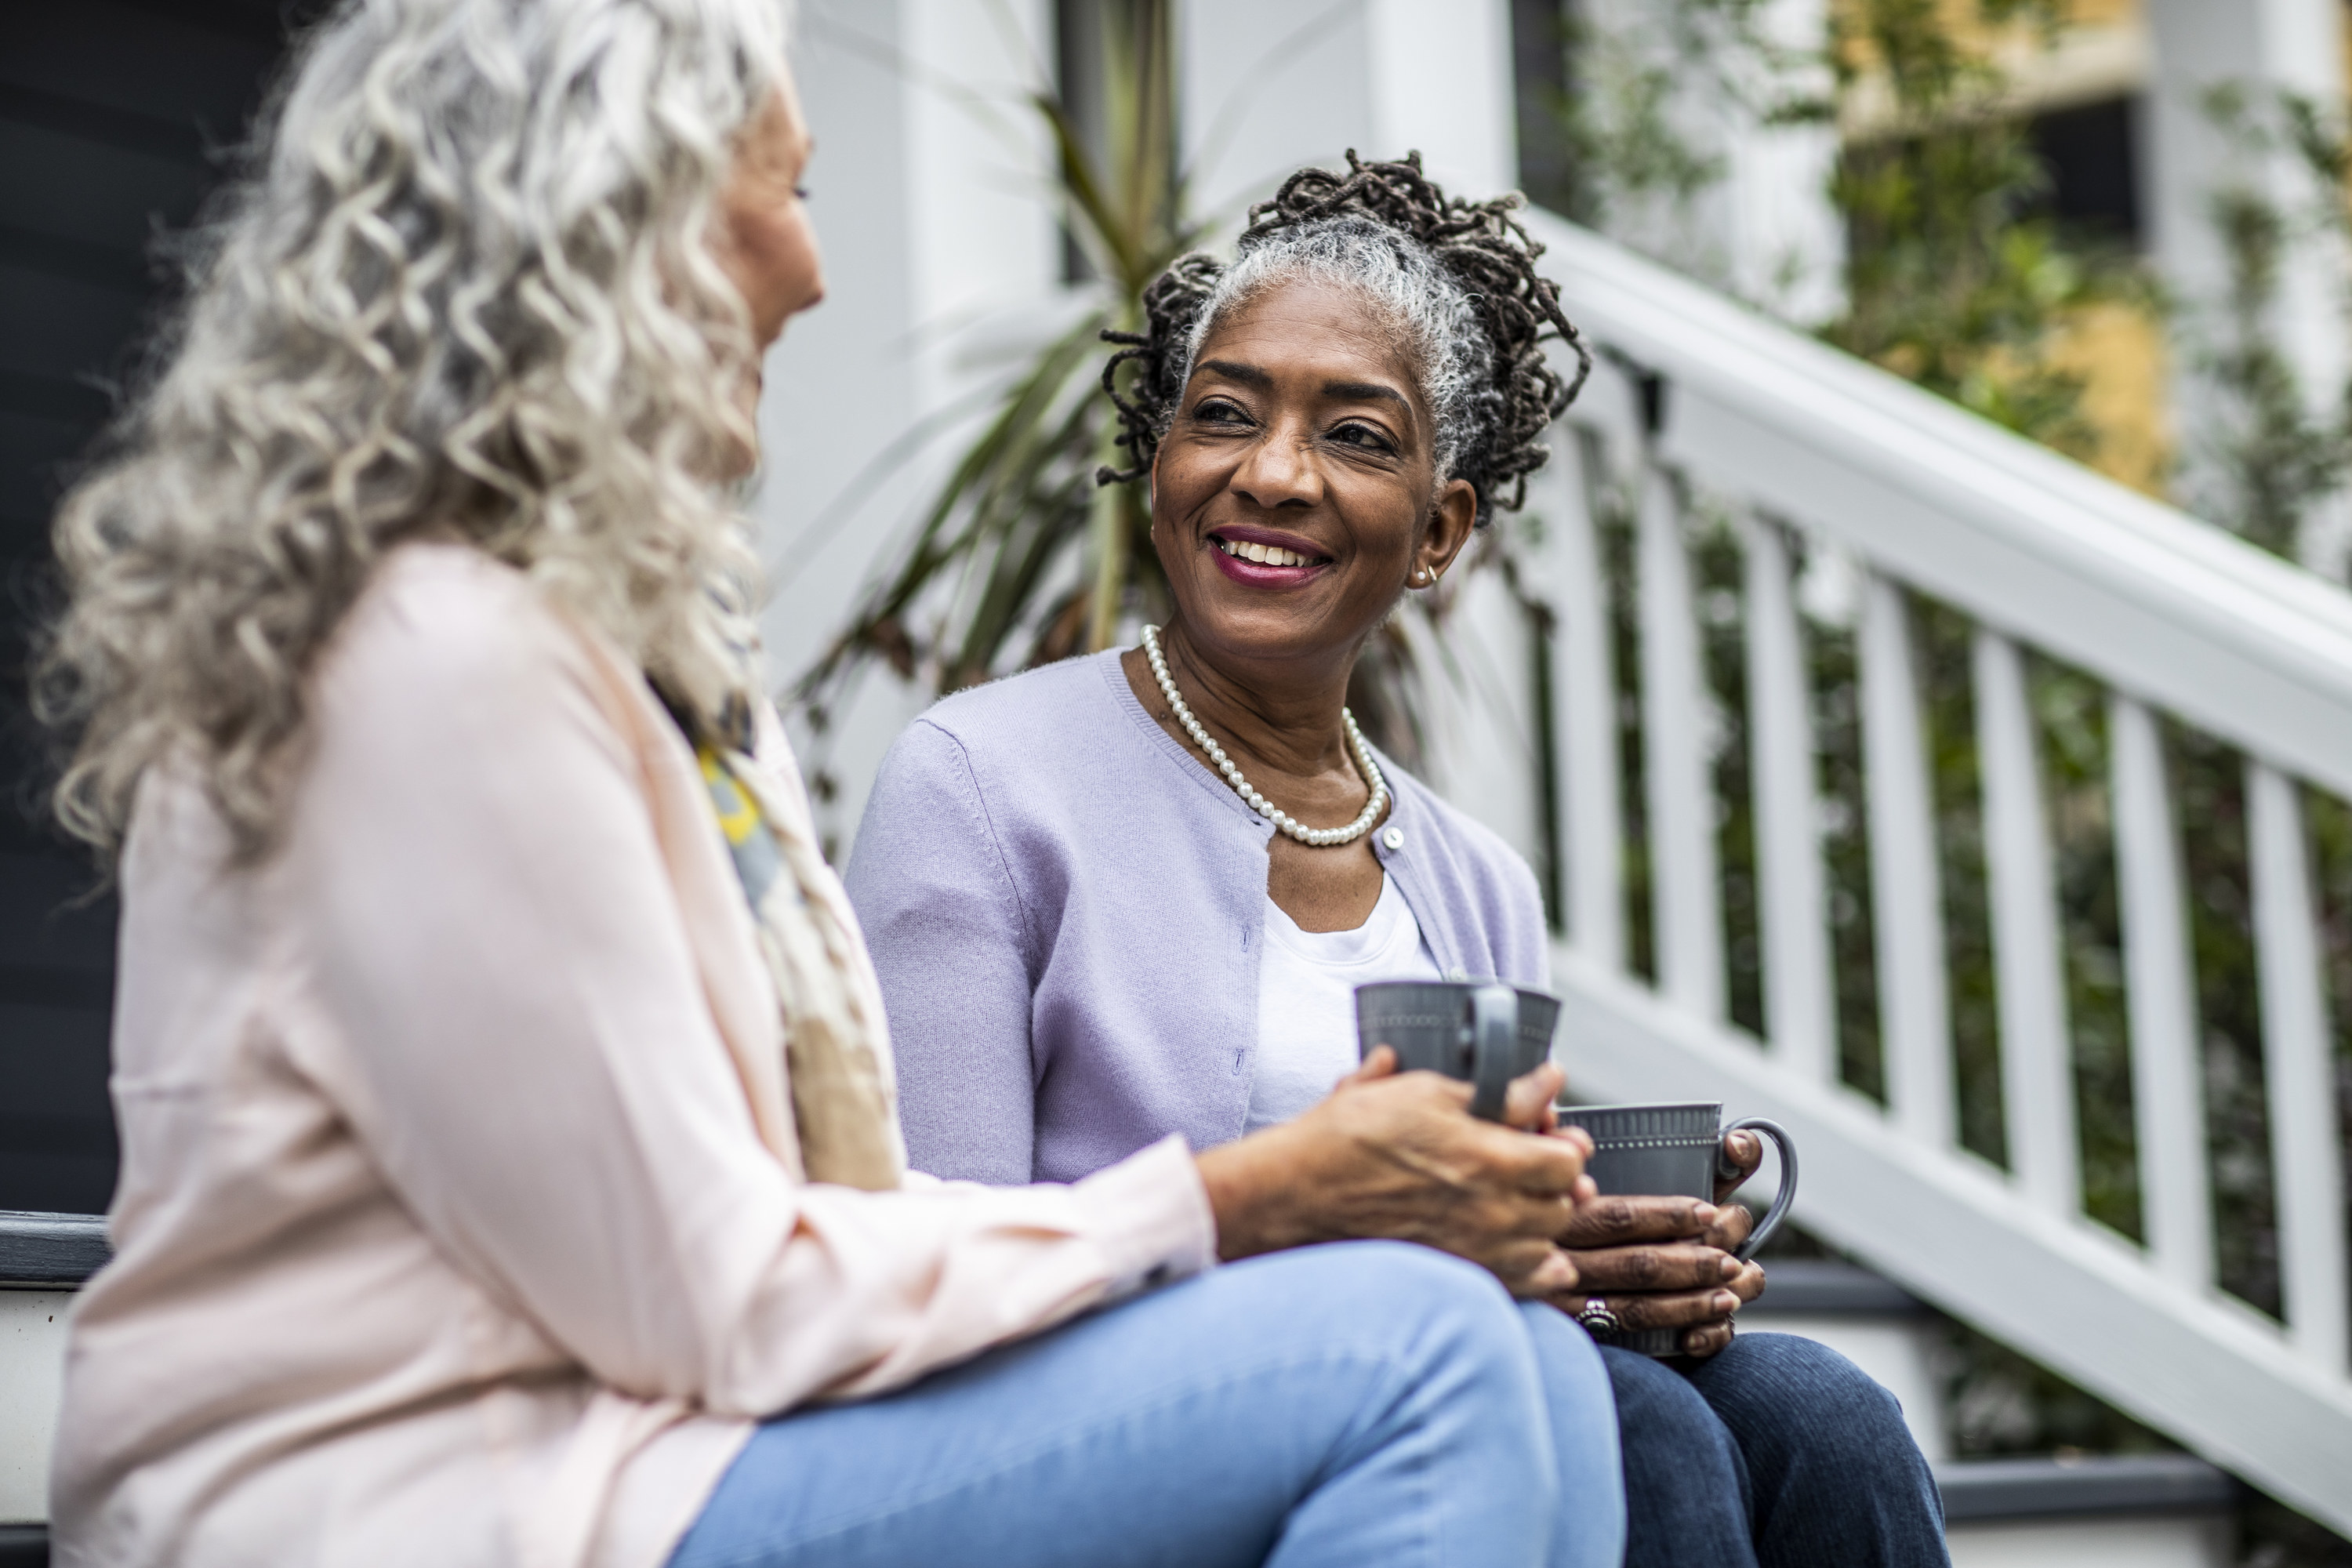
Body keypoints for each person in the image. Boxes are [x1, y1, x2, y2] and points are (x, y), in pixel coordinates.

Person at [34, 7, 1628, 1566]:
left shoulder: (630, 650)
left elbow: (783, 1235)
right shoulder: (435, 661)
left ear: (1445, 526)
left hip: (649, 1443)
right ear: (616, 221)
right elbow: (716, 1298)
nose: (811, 267)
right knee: (1422, 1351)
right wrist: (1249, 1196)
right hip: (421, 1493)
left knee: (1547, 1364)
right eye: (785, 191)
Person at [845, 154, 1952, 1568]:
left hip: (1440, 1380)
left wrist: (1596, 1263)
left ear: (1441, 530)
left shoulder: (1474, 878)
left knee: (1822, 1410)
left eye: (1357, 438)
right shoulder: (982, 785)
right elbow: (938, 1268)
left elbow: (1477, 1266)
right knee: (1633, 1429)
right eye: (1224, 415)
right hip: (1109, 1427)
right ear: (1162, 465)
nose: (1273, 473)